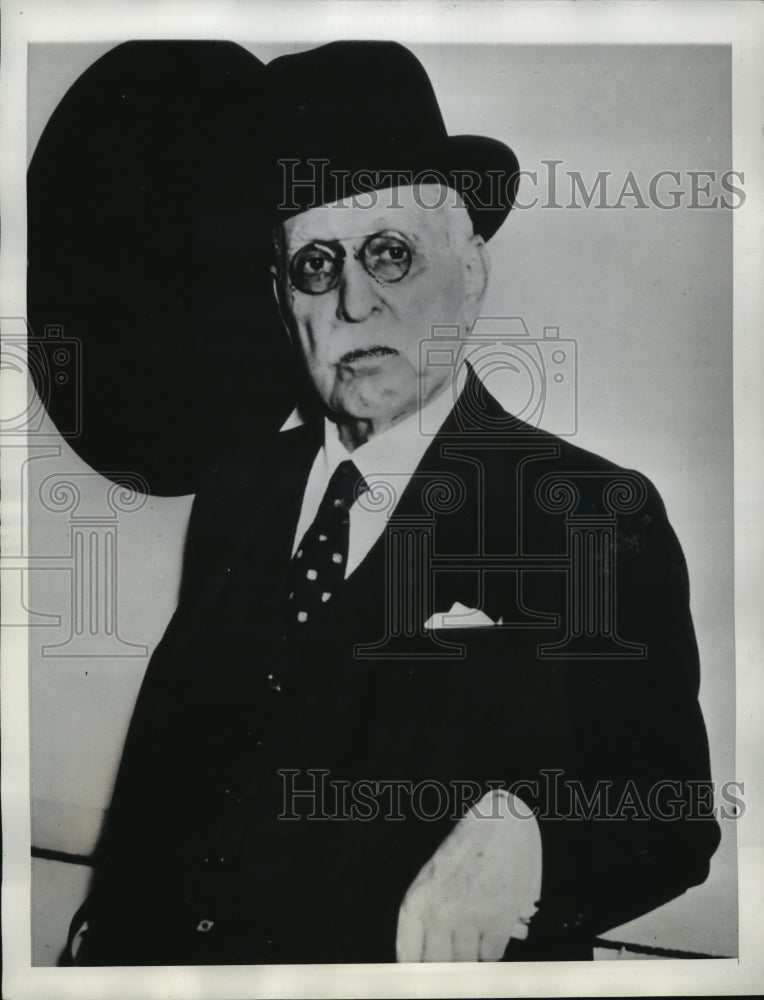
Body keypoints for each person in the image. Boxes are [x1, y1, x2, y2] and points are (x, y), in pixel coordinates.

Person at [67, 40, 720, 965]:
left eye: (390, 254)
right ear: (280, 297)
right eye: (316, 266)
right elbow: (176, 763)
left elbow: (672, 816)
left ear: (471, 272)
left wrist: (535, 838)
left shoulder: (590, 512)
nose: (354, 303)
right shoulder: (240, 486)